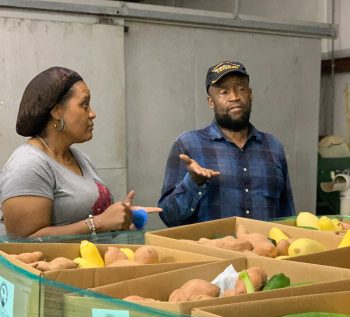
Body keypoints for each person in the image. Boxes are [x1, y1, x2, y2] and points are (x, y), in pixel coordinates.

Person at [0, 66, 161, 238]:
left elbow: (92, 221)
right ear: (56, 111)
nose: (92, 113)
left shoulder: (79, 158)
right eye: (84, 104)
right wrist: (100, 223)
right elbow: (23, 241)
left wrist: (122, 217)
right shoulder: (28, 164)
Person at [158, 60, 295, 227]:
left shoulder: (273, 147)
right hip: (211, 253)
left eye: (241, 89)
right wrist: (193, 182)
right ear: (211, 101)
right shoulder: (188, 146)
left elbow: (287, 216)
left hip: (266, 252)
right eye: (224, 92)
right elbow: (169, 217)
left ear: (250, 94)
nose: (235, 97)